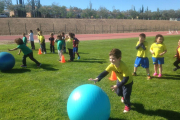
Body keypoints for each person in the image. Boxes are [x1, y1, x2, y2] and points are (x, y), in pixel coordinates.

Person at [89, 48, 133, 113]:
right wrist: (97, 78)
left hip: (127, 82)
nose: (111, 60)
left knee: (126, 95)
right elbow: (105, 72)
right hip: (120, 80)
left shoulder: (123, 66)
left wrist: (117, 86)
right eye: (110, 58)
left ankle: (128, 106)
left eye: (113, 58)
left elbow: (125, 79)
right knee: (118, 93)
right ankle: (123, 96)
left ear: (119, 58)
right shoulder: (112, 65)